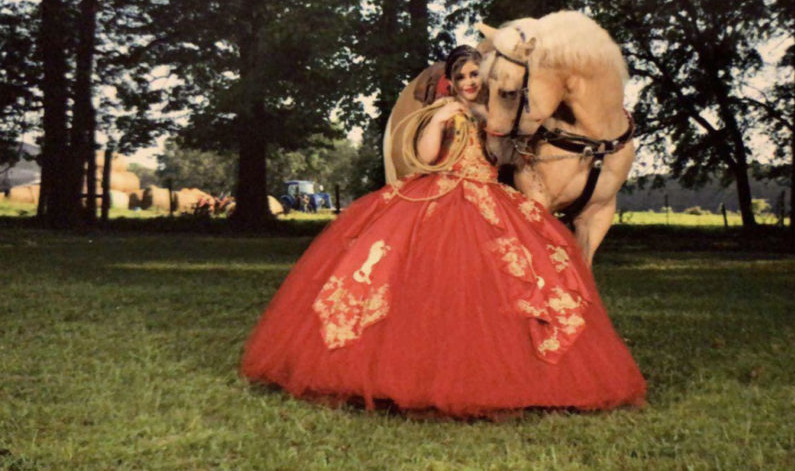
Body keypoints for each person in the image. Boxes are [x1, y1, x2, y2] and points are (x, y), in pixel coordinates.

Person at [240, 45, 646, 418]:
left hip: (489, 198)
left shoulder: (493, 117)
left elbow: (507, 158)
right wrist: (437, 119)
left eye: (476, 75)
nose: (471, 82)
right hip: (441, 193)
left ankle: (499, 371)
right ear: (452, 81)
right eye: (464, 76)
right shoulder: (446, 111)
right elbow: (426, 158)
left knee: (514, 283)